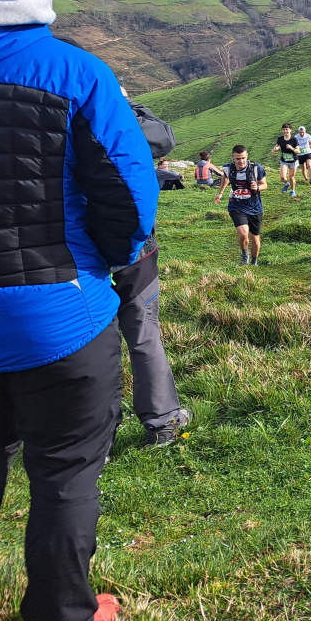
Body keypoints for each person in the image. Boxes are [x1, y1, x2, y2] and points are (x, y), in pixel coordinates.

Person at [0, 0, 158, 621]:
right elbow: (129, 204)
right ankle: (63, 615)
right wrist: (105, 267)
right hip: (59, 319)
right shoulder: (74, 72)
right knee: (64, 477)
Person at [118, 99, 192, 448]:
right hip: (132, 249)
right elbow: (162, 137)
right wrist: (129, 104)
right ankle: (162, 421)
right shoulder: (107, 111)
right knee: (144, 333)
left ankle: (91, 435)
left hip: (69, 249)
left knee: (88, 342)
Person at [215, 145, 267, 264]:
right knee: (243, 233)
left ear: (247, 156)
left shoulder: (256, 168)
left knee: (255, 238)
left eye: (243, 158)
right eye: (238, 159)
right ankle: (244, 256)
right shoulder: (229, 168)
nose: (241, 161)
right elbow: (225, 177)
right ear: (233, 158)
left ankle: (254, 262)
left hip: (254, 207)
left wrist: (258, 187)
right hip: (236, 205)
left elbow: (265, 184)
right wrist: (221, 193)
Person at [271, 123, 299, 197]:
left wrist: (291, 148)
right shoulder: (280, 139)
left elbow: (298, 151)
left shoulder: (294, 139)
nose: (285, 131)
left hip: (293, 161)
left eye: (287, 129)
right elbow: (278, 145)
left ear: (290, 130)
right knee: (283, 177)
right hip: (284, 160)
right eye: (284, 129)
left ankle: (293, 191)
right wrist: (275, 149)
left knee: (291, 177)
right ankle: (287, 183)